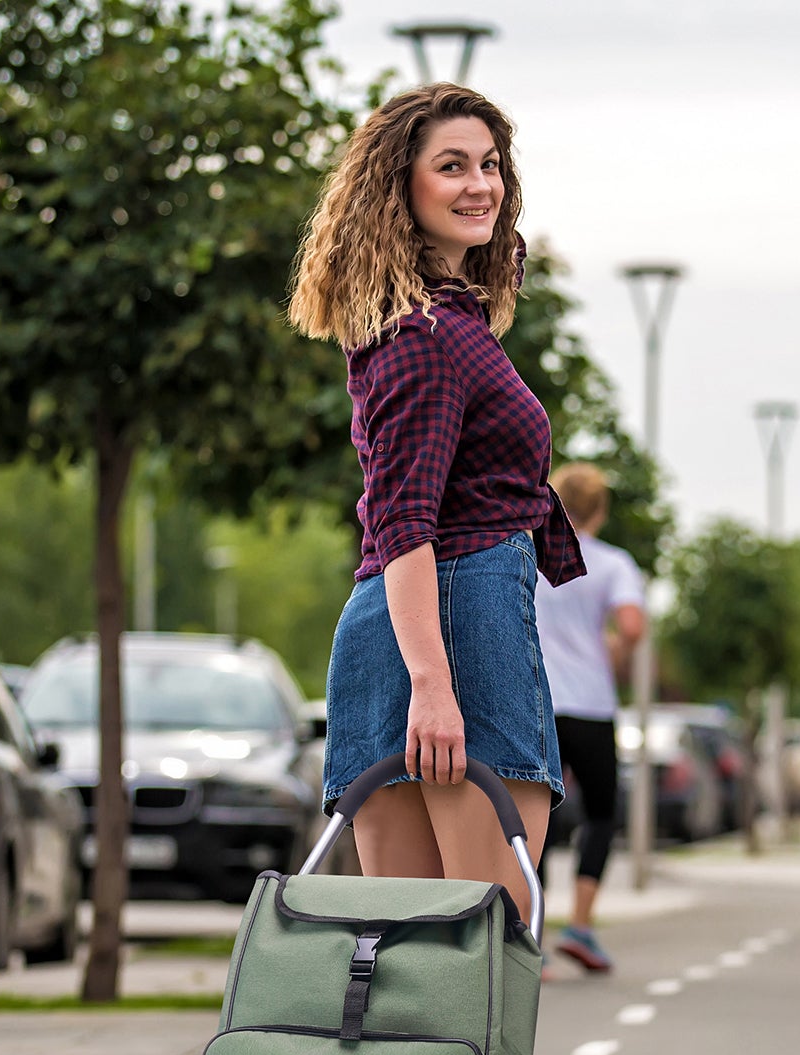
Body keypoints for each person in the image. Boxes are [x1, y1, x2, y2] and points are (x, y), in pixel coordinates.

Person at [288, 84, 584, 920]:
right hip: (456, 632)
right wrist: (434, 684)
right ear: (401, 187)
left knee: (406, 963)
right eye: (451, 166)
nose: (480, 185)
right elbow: (404, 520)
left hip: (407, 632)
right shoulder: (426, 334)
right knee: (488, 941)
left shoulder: (430, 321)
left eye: (490, 165)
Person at [533, 462, 645, 972]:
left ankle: (528, 937)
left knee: (534, 815)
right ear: (599, 509)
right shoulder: (613, 563)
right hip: (592, 706)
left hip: (534, 700)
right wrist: (614, 653)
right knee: (601, 814)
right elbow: (633, 626)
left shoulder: (529, 552)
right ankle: (580, 924)